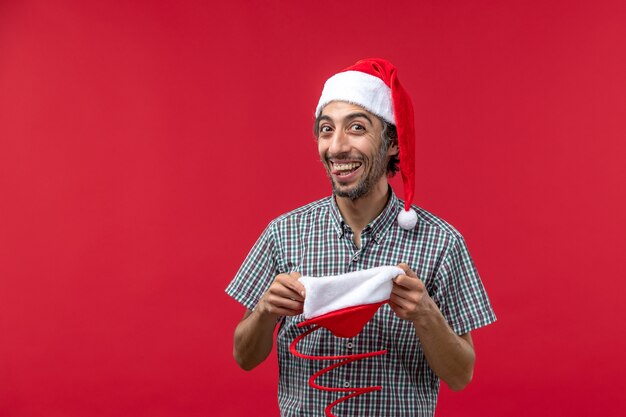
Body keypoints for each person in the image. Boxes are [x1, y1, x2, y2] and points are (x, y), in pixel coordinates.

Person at [225, 58, 496, 417]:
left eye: (356, 128)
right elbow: (244, 357)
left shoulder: (442, 243)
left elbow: (461, 376)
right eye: (326, 129)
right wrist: (264, 310)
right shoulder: (283, 233)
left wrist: (426, 314)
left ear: (392, 144)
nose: (336, 147)